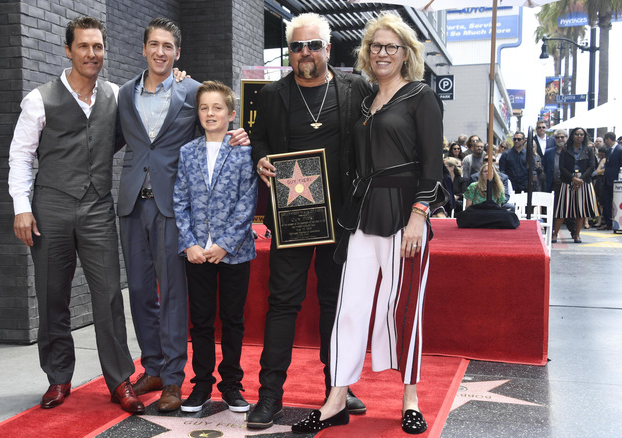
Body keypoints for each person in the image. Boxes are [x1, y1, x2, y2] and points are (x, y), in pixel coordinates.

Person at [291, 12, 446, 435]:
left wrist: (419, 214)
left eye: (390, 46)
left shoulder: (421, 96)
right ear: (366, 52)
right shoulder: (364, 101)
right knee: (350, 307)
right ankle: (336, 399)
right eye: (375, 46)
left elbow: (433, 163)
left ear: (405, 53)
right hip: (361, 212)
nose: (381, 53)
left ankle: (410, 398)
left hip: (404, 214)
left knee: (404, 306)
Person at [7, 16, 143, 413]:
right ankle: (58, 379)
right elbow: (19, 155)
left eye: (98, 47)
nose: (91, 54)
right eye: (83, 46)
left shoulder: (116, 96)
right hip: (50, 207)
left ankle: (120, 382)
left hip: (98, 207)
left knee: (109, 299)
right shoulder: (39, 98)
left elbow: (147, 122)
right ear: (68, 50)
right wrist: (22, 208)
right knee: (52, 298)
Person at [115, 17, 248, 412]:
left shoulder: (192, 91)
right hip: (130, 202)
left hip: (172, 205)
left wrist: (239, 135)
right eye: (154, 44)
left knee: (172, 293)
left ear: (177, 52)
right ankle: (152, 367)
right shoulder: (123, 94)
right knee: (139, 291)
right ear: (143, 49)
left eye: (168, 46)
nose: (160, 52)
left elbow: (216, 120)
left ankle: (174, 378)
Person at [249, 12, 372, 430]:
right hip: (293, 217)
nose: (305, 53)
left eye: (313, 45)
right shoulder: (271, 95)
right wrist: (260, 159)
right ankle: (270, 396)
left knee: (335, 306)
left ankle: (337, 389)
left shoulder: (355, 89)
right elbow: (259, 140)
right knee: (282, 304)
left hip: (341, 217)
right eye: (297, 46)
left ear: (328, 48)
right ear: (289, 51)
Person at [172, 81, 257, 413]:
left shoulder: (244, 151)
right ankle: (202, 385)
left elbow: (247, 202)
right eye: (204, 107)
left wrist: (225, 244)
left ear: (231, 114)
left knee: (233, 320)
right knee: (202, 322)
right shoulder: (187, 151)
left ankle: (232, 385)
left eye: (217, 108)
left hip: (234, 252)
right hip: (196, 254)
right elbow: (180, 201)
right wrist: (189, 243)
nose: (210, 113)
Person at [552, 127, 597, 243]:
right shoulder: (566, 149)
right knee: (562, 209)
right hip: (568, 180)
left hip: (584, 181)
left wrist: (580, 179)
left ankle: (577, 235)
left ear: (584, 136)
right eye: (576, 134)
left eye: (581, 134)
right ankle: (555, 234)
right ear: (572, 136)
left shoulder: (588, 149)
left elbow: (592, 166)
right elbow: (561, 167)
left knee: (580, 210)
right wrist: (573, 179)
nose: (579, 136)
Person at [597, 132, 622, 230]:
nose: (605, 142)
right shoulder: (607, 150)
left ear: (608, 139)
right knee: (606, 202)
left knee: (617, 202)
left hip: (616, 180)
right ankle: (608, 222)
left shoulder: (621, 150)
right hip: (607, 180)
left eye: (605, 140)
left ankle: (618, 222)